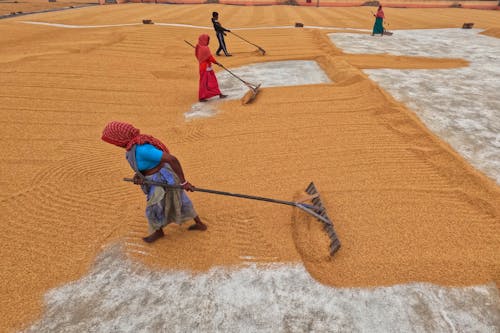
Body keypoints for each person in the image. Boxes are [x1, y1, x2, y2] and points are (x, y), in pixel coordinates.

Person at [101, 121, 207, 243]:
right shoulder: (132, 147)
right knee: (179, 199)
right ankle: (170, 228)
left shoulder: (142, 149)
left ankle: (161, 231)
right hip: (153, 179)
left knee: (156, 206)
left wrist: (183, 182)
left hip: (163, 179)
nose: (115, 145)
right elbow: (144, 165)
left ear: (120, 139)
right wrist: (139, 175)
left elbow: (172, 159)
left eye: (114, 141)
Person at [195, 34, 227, 102]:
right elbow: (210, 58)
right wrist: (217, 63)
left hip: (203, 67)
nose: (208, 42)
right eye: (208, 40)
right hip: (205, 69)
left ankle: (218, 93)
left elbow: (197, 55)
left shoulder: (198, 47)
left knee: (208, 82)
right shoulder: (205, 48)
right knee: (207, 83)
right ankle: (202, 97)